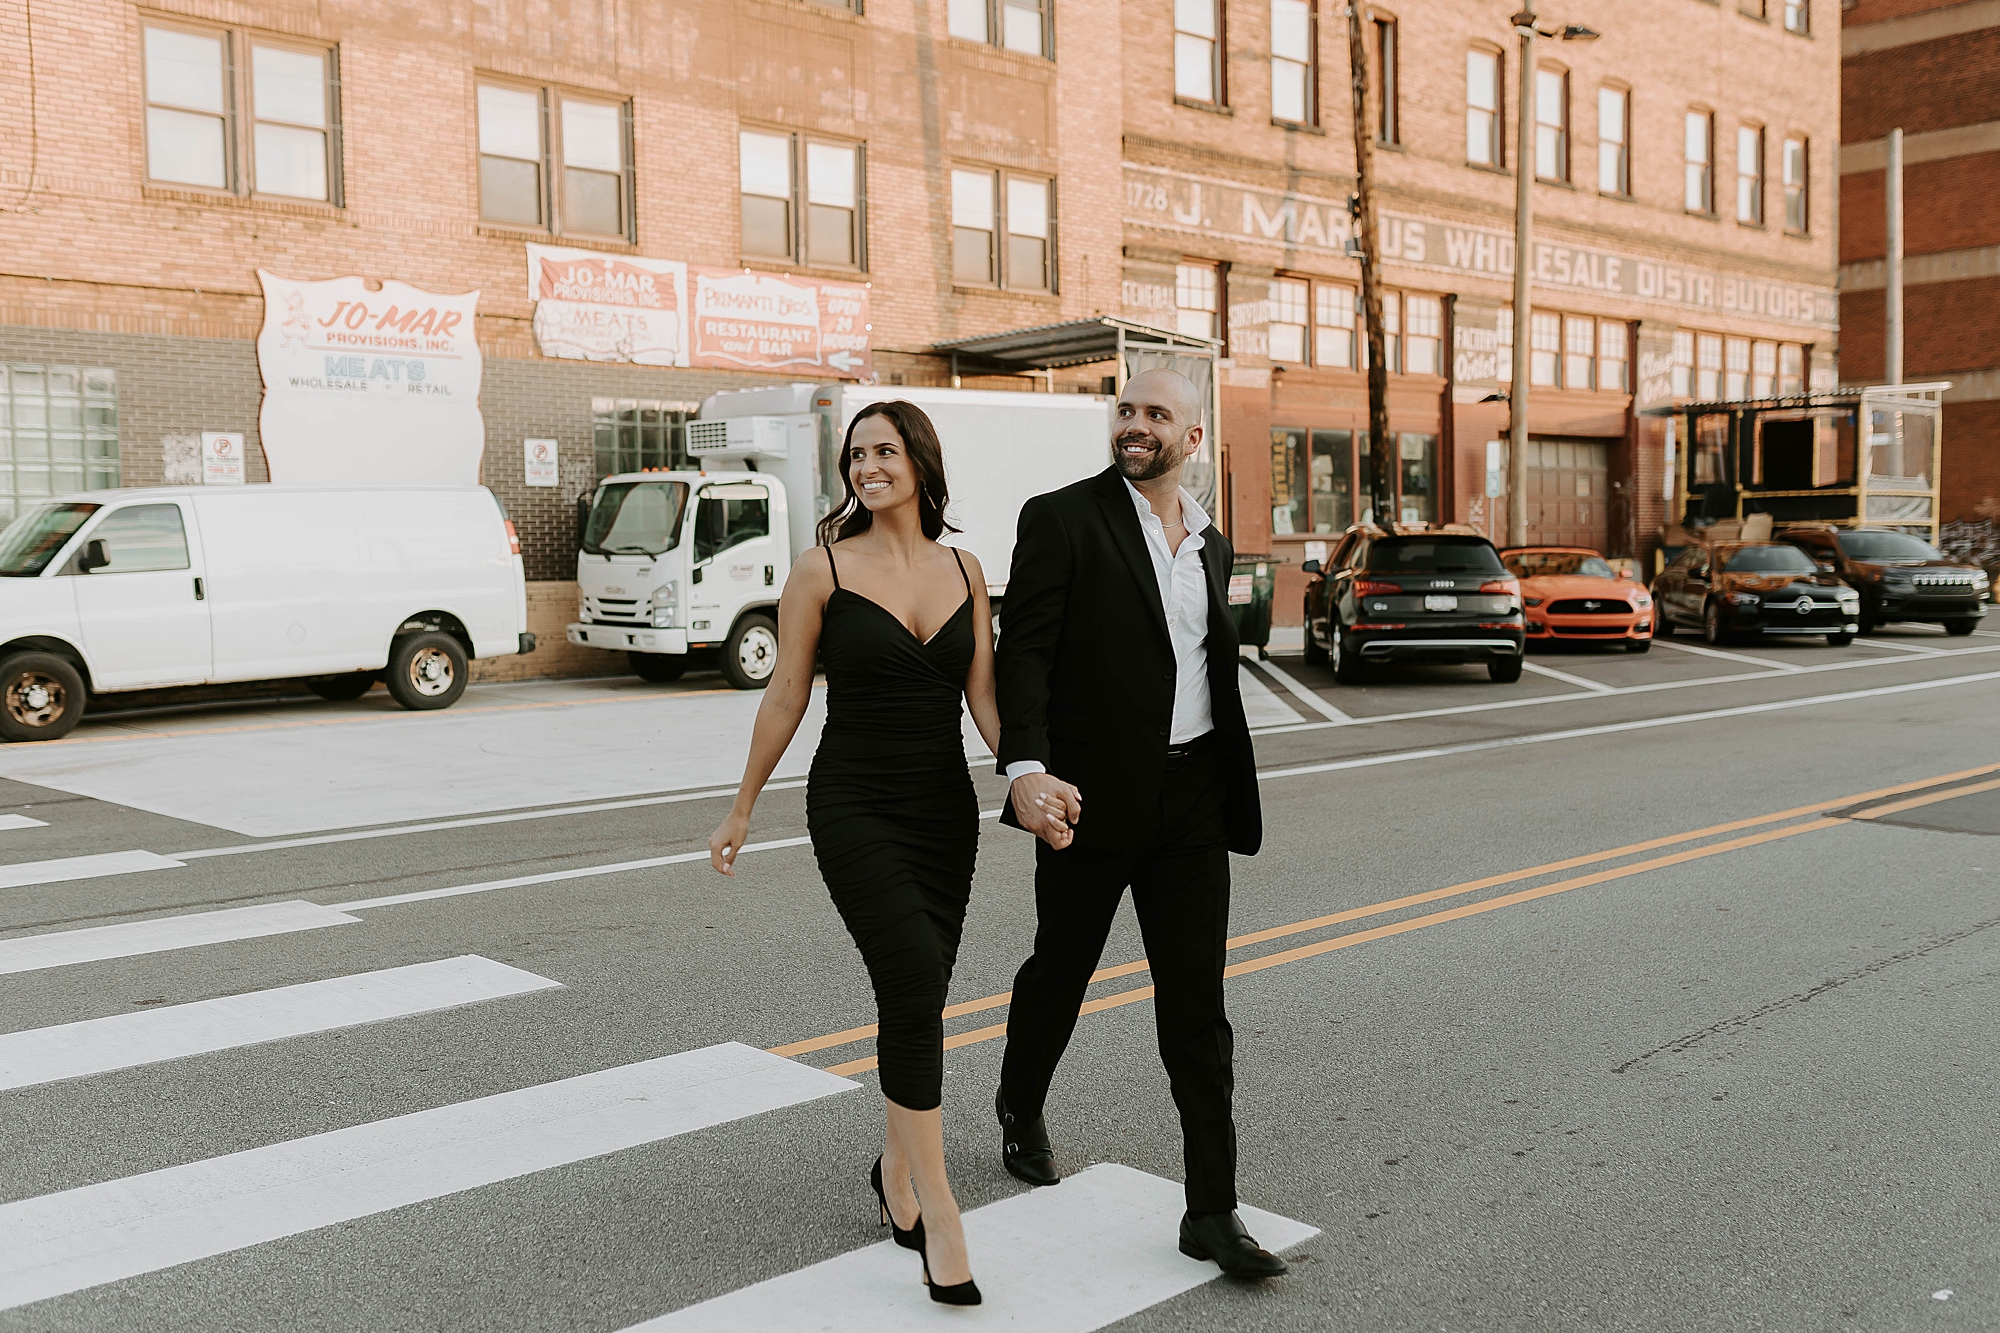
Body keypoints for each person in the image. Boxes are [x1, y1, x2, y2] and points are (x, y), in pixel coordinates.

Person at [991, 368, 1286, 1279]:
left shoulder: (1212, 544)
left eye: (1156, 414)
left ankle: (1212, 1209)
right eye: (1126, 410)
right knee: (1062, 968)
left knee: (1196, 1007)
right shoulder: (1062, 517)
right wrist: (1028, 770)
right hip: (1092, 798)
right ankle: (1019, 1099)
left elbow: (1203, 663)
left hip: (1193, 799)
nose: (1136, 424)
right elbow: (1025, 652)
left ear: (1191, 439)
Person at [709, 401, 1006, 1306]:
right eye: (856, 454)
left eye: (884, 449)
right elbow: (786, 696)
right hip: (854, 806)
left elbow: (987, 702)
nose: (867, 465)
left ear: (920, 459)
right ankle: (941, 1209)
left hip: (943, 813)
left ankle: (893, 1166)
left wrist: (1033, 776)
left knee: (913, 996)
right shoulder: (822, 568)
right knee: (915, 976)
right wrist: (743, 806)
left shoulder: (968, 567)